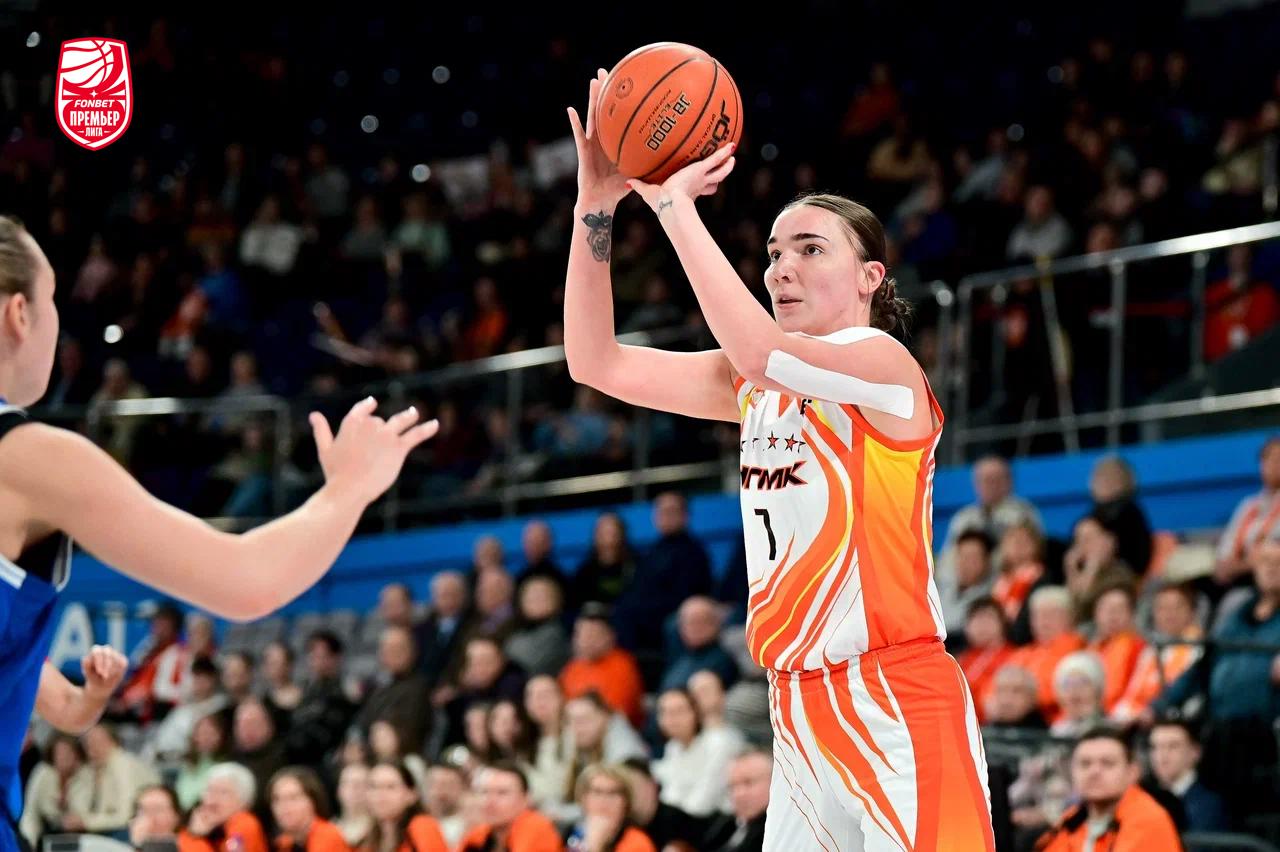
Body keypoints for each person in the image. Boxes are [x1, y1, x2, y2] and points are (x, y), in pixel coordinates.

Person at [565, 72, 993, 848]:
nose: (780, 268)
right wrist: (595, 209)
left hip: (893, 697)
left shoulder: (885, 365)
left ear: (870, 278)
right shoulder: (753, 383)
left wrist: (673, 204)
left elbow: (761, 351)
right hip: (794, 707)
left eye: (810, 249)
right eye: (772, 252)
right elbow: (596, 362)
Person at [0, 214, 438, 852]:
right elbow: (247, 581)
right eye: (53, 300)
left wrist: (86, 700)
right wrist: (349, 489)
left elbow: (53, 701)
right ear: (19, 313)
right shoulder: (29, 458)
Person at [1033, 728, 1181, 851]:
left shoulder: (1148, 820)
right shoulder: (1071, 820)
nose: (1094, 772)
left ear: (1132, 772)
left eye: (1107, 763)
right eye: (1085, 764)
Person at [456, 762, 563, 852]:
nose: (490, 801)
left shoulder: (537, 830)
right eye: (485, 792)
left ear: (526, 799)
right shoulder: (478, 836)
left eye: (502, 793)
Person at [1146, 719, 1227, 833]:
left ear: (1195, 752)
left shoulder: (1209, 806)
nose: (1161, 756)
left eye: (1173, 746)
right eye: (1155, 747)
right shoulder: (1146, 798)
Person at [563, 764, 655, 852]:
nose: (604, 800)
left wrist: (595, 846)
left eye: (613, 793)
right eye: (597, 791)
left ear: (626, 801)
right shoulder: (568, 834)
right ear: (583, 798)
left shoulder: (637, 842)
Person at [179, 762, 269, 852]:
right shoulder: (217, 829)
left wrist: (195, 836)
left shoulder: (244, 824)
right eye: (210, 791)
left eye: (223, 793)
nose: (212, 801)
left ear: (243, 801)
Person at [363, 761, 448, 852]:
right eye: (374, 787)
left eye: (390, 787)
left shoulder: (423, 826)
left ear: (411, 794)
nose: (380, 794)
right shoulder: (368, 838)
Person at [701, 749, 772, 852]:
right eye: (732, 786)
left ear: (773, 782)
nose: (738, 794)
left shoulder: (774, 834)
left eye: (748, 782)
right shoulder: (728, 824)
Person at [268, 766, 348, 852]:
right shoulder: (284, 843)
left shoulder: (328, 837)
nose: (284, 806)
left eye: (293, 798)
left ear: (313, 801)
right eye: (276, 799)